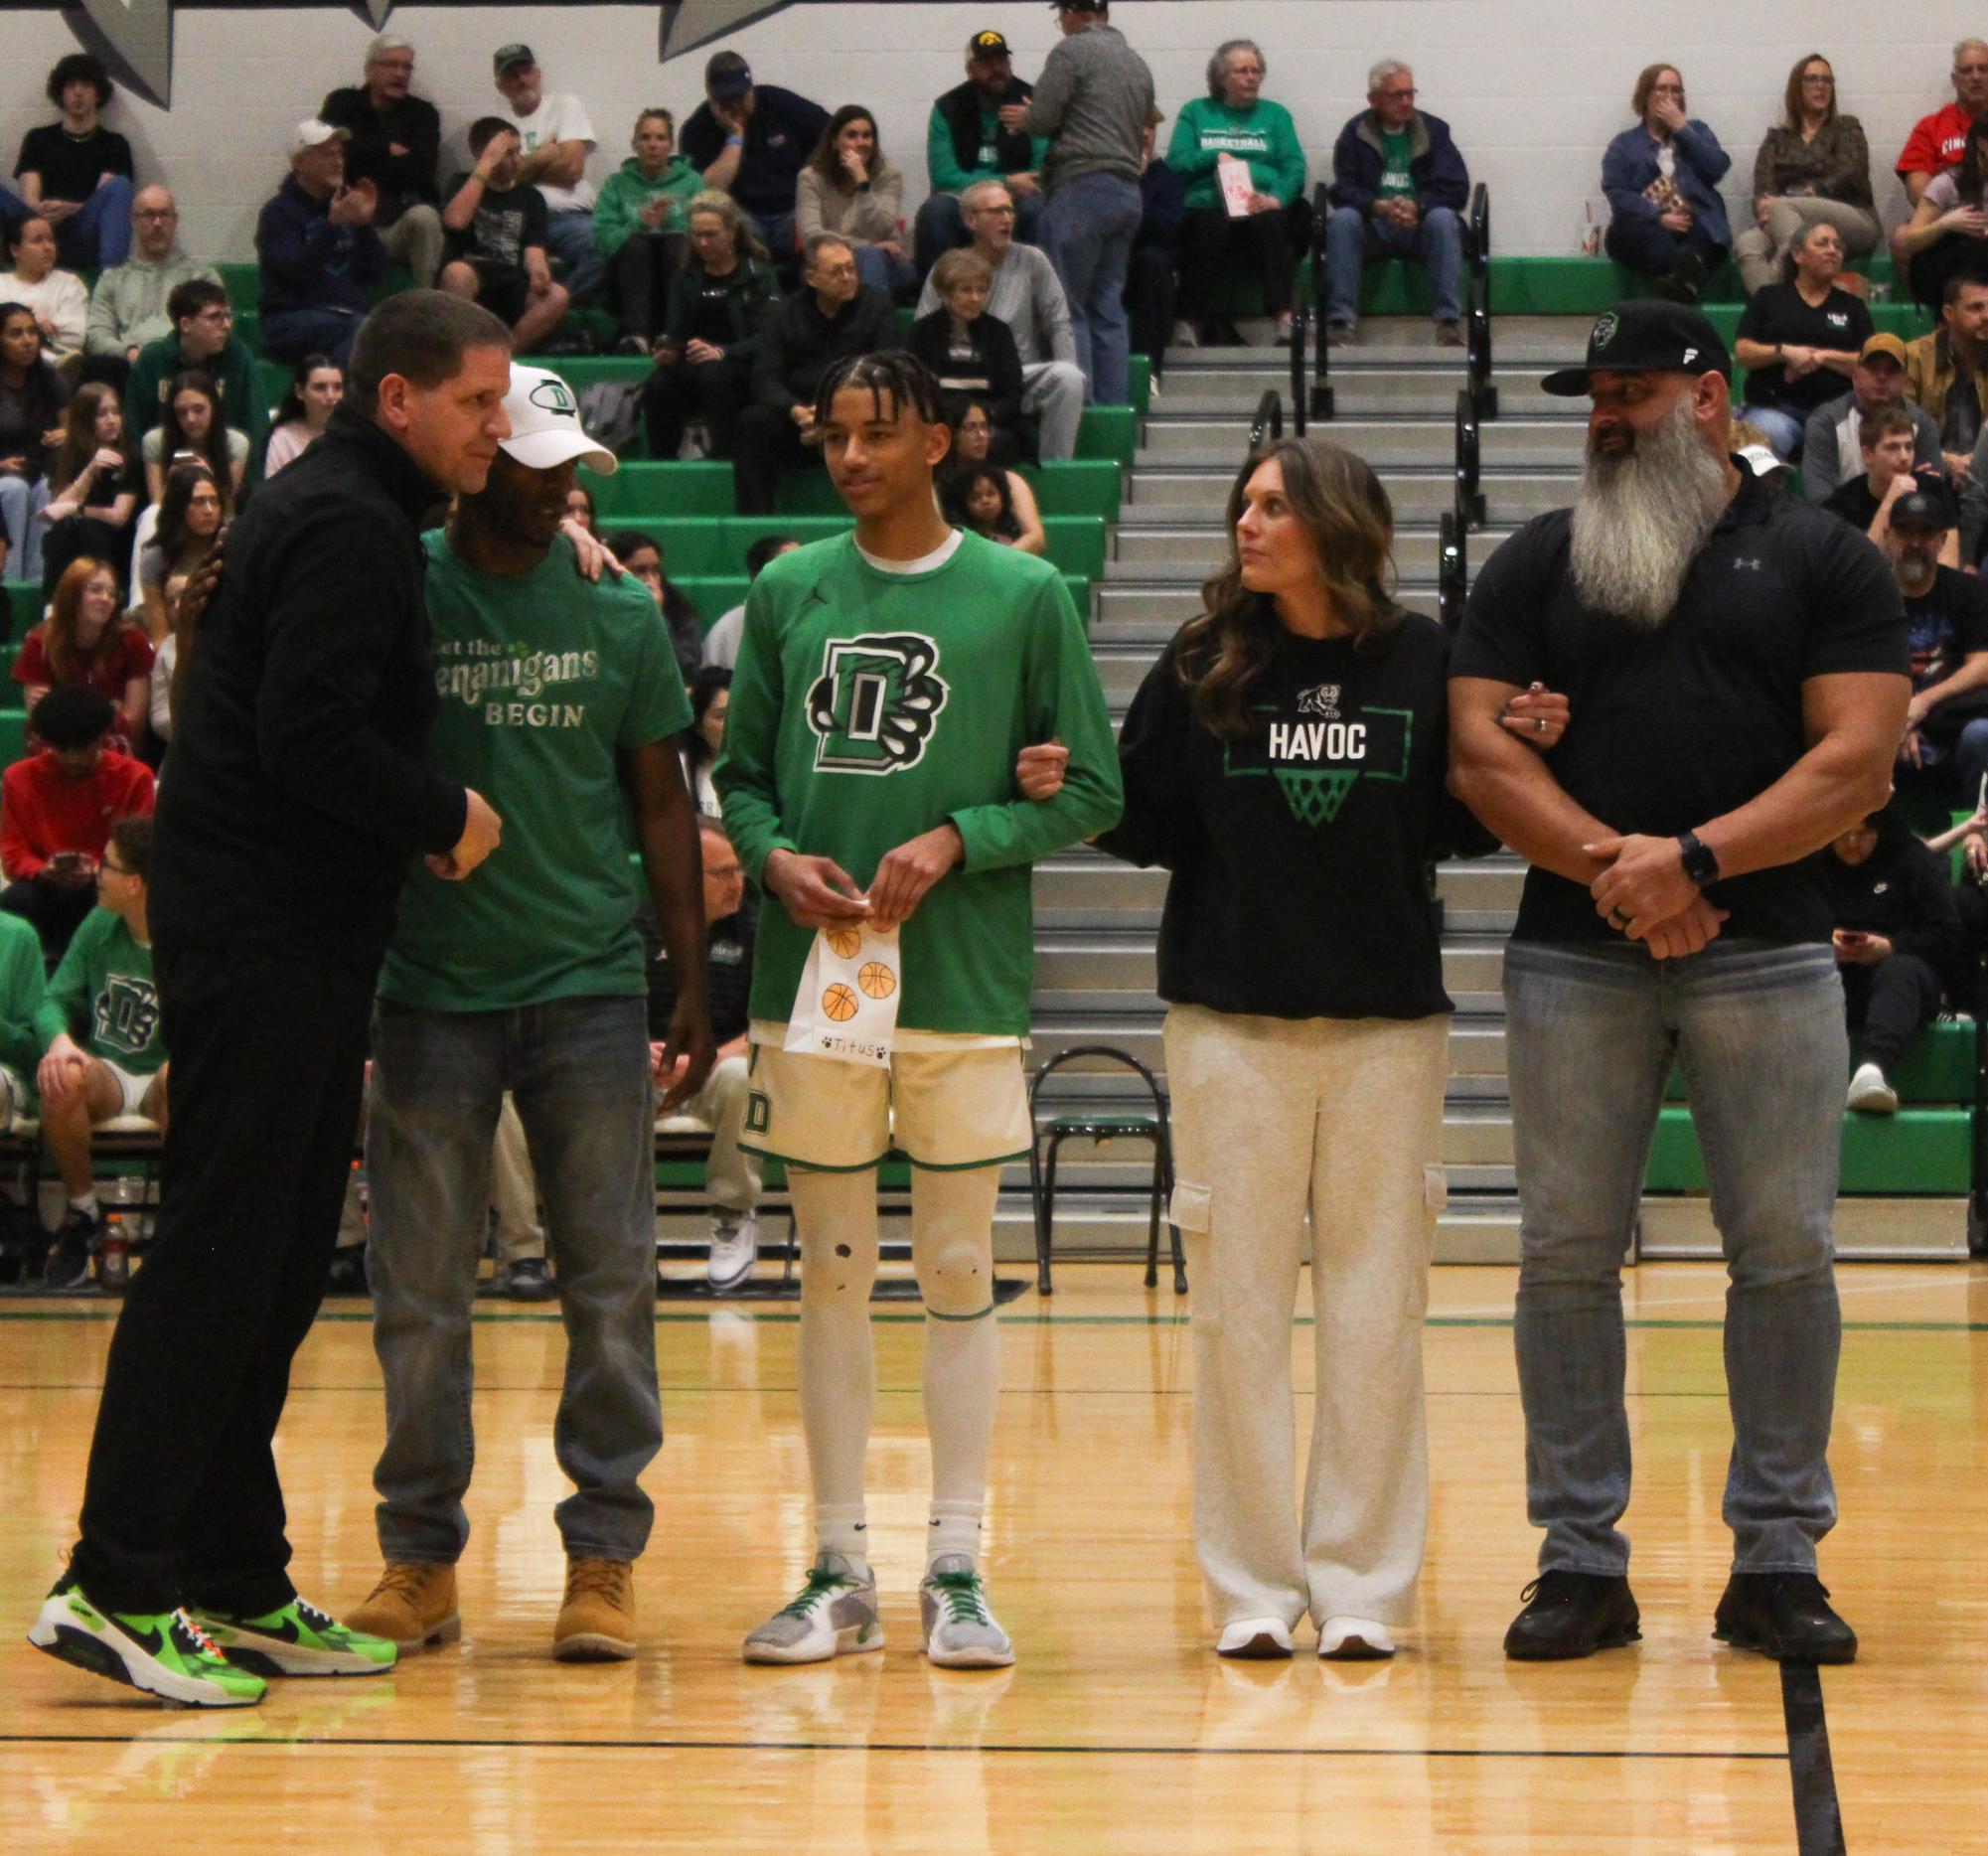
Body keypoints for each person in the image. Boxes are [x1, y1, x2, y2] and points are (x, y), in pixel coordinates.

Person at [26, 291, 509, 1709]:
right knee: (224, 1253)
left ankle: (232, 1577)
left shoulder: (343, 505)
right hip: (262, 932)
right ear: (399, 398)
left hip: (283, 932)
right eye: (477, 403)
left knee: (282, 1258)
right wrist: (443, 812)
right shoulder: (353, 525)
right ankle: (115, 1581)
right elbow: (310, 738)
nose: (494, 429)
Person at [1448, 299, 1907, 1666]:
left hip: (1768, 954)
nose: (1602, 415)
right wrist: (1622, 871)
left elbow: (1859, 761)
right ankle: (1578, 1561)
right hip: (1570, 958)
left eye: (1630, 390)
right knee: (1565, 1261)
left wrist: (1694, 863)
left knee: (1784, 1260)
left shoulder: (1825, 557)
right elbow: (1479, 755)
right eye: (1592, 394)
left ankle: (1775, 1559)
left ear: (1708, 400)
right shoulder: (1537, 562)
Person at [721, 351, 1121, 1670]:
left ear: (944, 439)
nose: (850, 458)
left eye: (878, 434)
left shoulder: (1025, 594)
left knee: (956, 1269)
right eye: (833, 434)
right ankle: (836, 1558)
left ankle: (957, 1559)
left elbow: (1089, 791)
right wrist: (772, 857)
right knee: (827, 1272)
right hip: (813, 987)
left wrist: (958, 836)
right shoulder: (786, 586)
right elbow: (740, 777)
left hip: (958, 984)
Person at [1069, 436, 1464, 1661]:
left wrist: (1536, 733)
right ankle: (1250, 1586)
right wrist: (1068, 782)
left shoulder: (1424, 656)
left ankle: (1362, 1587)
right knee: (1233, 1313)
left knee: (1375, 1312)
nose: (1248, 524)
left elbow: (1462, 814)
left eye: (1274, 505)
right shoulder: (1203, 661)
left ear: (1339, 522)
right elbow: (1144, 815)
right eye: (1244, 503)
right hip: (1228, 1025)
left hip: (1387, 1027)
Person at [344, 362, 710, 1664]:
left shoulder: (616, 609)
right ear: (477, 461)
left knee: (609, 1285)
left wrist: (692, 978)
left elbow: (662, 803)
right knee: (420, 1292)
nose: (562, 490)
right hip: (432, 990)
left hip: (588, 988)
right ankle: (419, 1559)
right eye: (540, 467)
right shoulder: (401, 590)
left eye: (573, 474)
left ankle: (603, 1555)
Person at [34, 814, 165, 1294]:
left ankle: (178, 1222)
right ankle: (84, 1212)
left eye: (107, 866)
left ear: (135, 883)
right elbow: (54, 999)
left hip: (165, 1074)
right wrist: (61, 1042)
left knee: (185, 1083)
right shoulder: (100, 923)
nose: (96, 873)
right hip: (110, 1069)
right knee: (61, 1078)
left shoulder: (188, 933)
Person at [651, 813, 763, 1291]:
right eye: (722, 873)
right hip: (645, 1066)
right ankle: (627, 1229)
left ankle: (733, 1215)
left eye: (740, 870)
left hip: (718, 1066)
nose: (737, 883)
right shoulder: (633, 925)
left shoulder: (756, 928)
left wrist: (713, 1059)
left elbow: (771, 1025)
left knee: (745, 1077)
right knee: (604, 1080)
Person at [1024, 1, 1153, 409]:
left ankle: (1079, 407)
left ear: (1072, 13)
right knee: (1108, 307)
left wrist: (1023, 118)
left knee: (1068, 306)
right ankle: (1113, 410)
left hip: (1081, 187)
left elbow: (1044, 119)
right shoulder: (1137, 63)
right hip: (1128, 192)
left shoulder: (1070, 52)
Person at [913, 182, 1086, 460]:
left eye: (1010, 211)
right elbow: (927, 324)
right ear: (970, 220)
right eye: (996, 212)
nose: (1006, 219)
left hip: (1019, 372)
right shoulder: (948, 265)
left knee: (1070, 378)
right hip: (957, 376)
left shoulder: (1034, 260)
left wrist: (1069, 365)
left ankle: (1056, 468)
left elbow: (1059, 322)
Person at [733, 232, 894, 516]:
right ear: (811, 277)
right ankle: (755, 523)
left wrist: (833, 418)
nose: (847, 277)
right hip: (800, 422)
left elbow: (887, 371)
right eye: (837, 271)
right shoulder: (784, 314)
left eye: (851, 269)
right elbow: (765, 377)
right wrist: (797, 412)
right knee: (754, 421)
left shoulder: (877, 307)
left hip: (856, 420)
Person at [1825, 806, 1965, 1115]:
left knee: (1901, 970)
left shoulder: (1911, 858)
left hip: (1903, 985)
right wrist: (1823, 941)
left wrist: (1891, 946)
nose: (1852, 843)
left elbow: (1949, 936)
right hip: (1834, 981)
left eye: (1863, 833)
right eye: (1842, 834)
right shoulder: (1812, 864)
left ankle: (1872, 1071)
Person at [1170, 41, 1308, 348]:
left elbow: (1294, 167)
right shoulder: (1196, 111)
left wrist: (1276, 197)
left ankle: (1283, 318)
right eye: (1242, 71)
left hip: (1259, 205)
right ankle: (1189, 320)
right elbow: (1177, 163)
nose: (1251, 77)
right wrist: (1214, 156)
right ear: (1221, 78)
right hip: (1208, 206)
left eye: (1256, 71)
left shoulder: (1275, 115)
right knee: (1207, 227)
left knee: (1272, 222)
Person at [0, 685, 152, 959]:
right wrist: (42, 870)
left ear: (102, 738)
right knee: (15, 900)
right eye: (61, 749)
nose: (72, 758)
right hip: (43, 887)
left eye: (82, 748)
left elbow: (140, 854)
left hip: (105, 885)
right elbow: (12, 853)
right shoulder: (17, 778)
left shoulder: (135, 778)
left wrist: (98, 870)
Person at [1324, 60, 1467, 348]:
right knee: (1342, 221)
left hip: (1421, 224)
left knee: (1442, 219)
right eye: (1396, 95)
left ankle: (1448, 323)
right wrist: (1378, 206)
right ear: (1373, 100)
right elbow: (1343, 189)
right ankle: (1340, 322)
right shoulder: (1355, 133)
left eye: (1409, 93)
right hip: (1374, 225)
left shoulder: (1434, 131)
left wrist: (1419, 206)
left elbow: (1456, 188)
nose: (1405, 101)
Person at [641, 191, 780, 466]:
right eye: (696, 235)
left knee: (715, 375)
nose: (702, 242)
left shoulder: (758, 275)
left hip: (741, 365)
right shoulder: (685, 278)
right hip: (694, 364)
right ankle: (662, 464)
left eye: (711, 234)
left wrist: (723, 352)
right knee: (658, 385)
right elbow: (676, 332)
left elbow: (769, 336)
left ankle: (724, 458)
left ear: (731, 232)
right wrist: (669, 350)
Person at [1734, 55, 1878, 298]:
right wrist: (1765, 208)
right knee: (1748, 243)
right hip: (1785, 219)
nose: (1820, 86)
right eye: (1812, 79)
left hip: (1852, 217)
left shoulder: (1846, 128)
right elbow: (1763, 190)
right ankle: (1773, 307)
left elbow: (1850, 174)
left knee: (1782, 207)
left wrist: (1804, 194)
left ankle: (1787, 295)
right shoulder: (1777, 139)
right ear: (1796, 88)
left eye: (1826, 80)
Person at [1731, 222, 1871, 459]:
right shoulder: (1769, 298)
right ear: (1797, 254)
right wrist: (1784, 352)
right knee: (1768, 434)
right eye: (1822, 243)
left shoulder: (1852, 307)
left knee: (1864, 438)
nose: (1832, 250)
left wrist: (1822, 357)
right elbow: (1743, 352)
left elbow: (1868, 362)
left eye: (1838, 246)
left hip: (1837, 413)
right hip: (1775, 408)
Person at [256, 118, 388, 368]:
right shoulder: (278, 214)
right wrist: (332, 227)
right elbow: (294, 273)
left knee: (391, 333)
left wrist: (364, 224)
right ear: (299, 162)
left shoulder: (346, 207)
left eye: (340, 154)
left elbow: (376, 274)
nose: (337, 161)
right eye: (327, 155)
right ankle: (344, 404)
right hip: (289, 320)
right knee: (360, 332)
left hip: (347, 318)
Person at [1885, 484, 1988, 800]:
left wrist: (1923, 704)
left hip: (1949, 727)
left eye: (1926, 534)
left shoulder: (1967, 591)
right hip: (1881, 729)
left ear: (1942, 540)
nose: (1915, 543)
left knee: (1982, 734)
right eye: (1905, 533)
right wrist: (1896, 725)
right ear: (1888, 537)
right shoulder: (1868, 596)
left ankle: (1977, 833)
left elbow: (1983, 665)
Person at [680, 52, 832, 265]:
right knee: (728, 230)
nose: (734, 106)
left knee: (813, 231)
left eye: (740, 97)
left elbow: (834, 134)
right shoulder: (697, 129)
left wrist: (814, 176)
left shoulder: (780, 104)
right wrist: (735, 136)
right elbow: (710, 190)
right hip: (742, 212)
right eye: (725, 100)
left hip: (791, 208)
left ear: (751, 89)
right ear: (711, 98)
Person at [916, 30, 1047, 277]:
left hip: (1017, 203)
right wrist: (1005, 183)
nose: (996, 69)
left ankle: (1035, 301)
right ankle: (935, 306)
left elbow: (1041, 171)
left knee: (1037, 209)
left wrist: (1007, 194)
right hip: (965, 202)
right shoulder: (947, 107)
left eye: (1002, 61)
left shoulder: (1033, 102)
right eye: (987, 63)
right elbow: (944, 176)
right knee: (935, 211)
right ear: (970, 69)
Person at [320, 35, 445, 290]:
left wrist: (360, 151)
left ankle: (429, 308)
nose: (400, 73)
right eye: (391, 65)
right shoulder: (342, 103)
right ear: (369, 70)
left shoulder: (423, 114)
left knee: (426, 217)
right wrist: (386, 148)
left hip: (399, 224)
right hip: (349, 222)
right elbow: (328, 158)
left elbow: (422, 172)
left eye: (407, 66)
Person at [1602, 65, 1732, 304]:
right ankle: (1684, 278)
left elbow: (1717, 168)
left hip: (1695, 225)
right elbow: (1617, 193)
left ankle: (1682, 277)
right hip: (1651, 228)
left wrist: (1682, 129)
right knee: (1623, 234)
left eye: (1676, 90)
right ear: (1645, 95)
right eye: (1661, 89)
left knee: (1710, 235)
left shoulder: (1698, 131)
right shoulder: (1624, 145)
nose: (1670, 97)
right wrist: (1658, 216)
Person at [440, 119, 570, 353]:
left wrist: (538, 271)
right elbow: (455, 221)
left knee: (557, 295)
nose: (517, 160)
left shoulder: (531, 198)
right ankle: (468, 355)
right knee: (456, 273)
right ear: (482, 154)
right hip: (473, 276)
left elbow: (534, 250)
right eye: (507, 153)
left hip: (512, 278)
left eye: (518, 151)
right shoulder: (461, 183)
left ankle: (504, 353)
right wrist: (485, 165)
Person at [490, 46, 603, 304]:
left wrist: (521, 169)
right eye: (512, 75)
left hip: (568, 217)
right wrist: (544, 154)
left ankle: (550, 312)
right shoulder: (497, 125)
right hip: (518, 219)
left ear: (538, 74)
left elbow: (572, 169)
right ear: (501, 87)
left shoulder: (564, 105)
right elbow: (499, 181)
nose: (521, 79)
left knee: (604, 245)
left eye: (526, 71)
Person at [84, 189, 221, 387]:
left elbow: (215, 327)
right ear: (133, 221)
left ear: (175, 220)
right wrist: (128, 352)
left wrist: (172, 354)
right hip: (129, 367)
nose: (157, 223)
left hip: (185, 367)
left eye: (164, 214)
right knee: (97, 368)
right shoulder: (112, 280)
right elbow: (97, 334)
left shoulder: (202, 277)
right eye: (149, 215)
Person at [15, 556, 152, 748]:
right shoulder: (40, 641)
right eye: (96, 590)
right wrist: (109, 709)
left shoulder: (133, 641)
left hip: (113, 751)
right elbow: (40, 723)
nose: (106, 599)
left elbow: (133, 725)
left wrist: (61, 706)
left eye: (112, 593)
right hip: (56, 749)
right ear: (71, 593)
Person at [14, 54, 134, 272]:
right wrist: (44, 210)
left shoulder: (114, 145)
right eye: (71, 86)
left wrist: (68, 209)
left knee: (120, 186)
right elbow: (28, 199)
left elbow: (106, 203)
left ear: (98, 93)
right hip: (39, 227)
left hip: (83, 235)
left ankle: (110, 283)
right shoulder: (38, 139)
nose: (78, 92)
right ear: (61, 93)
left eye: (86, 85)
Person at [594, 109, 703, 351]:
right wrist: (640, 224)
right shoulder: (616, 184)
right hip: (630, 269)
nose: (653, 145)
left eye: (660, 138)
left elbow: (703, 234)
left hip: (676, 262)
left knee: (676, 244)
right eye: (645, 138)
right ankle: (636, 335)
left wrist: (671, 224)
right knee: (637, 245)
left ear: (671, 145)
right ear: (634, 144)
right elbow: (604, 242)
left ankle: (673, 333)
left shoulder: (693, 182)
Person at [123, 278, 266, 460]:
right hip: (161, 468)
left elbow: (256, 425)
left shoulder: (238, 357)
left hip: (225, 469)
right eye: (215, 317)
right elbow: (135, 429)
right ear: (186, 324)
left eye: (228, 316)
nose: (226, 325)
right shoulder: (153, 359)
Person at [1801, 333, 1942, 505]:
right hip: (1843, 525)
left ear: (1905, 380)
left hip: (1905, 525)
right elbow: (1819, 499)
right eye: (1873, 368)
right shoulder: (1826, 422)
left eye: (1891, 370)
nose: (1882, 377)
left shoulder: (1923, 424)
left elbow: (1934, 498)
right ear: (1855, 375)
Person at [909, 249, 1024, 456]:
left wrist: (983, 420)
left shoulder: (999, 332)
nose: (975, 298)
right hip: (942, 423)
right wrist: (954, 422)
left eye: (981, 290)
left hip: (988, 423)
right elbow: (916, 390)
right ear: (945, 294)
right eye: (966, 290)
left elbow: (1013, 392)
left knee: (1002, 443)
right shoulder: (923, 332)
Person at [797, 107, 913, 302]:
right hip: (828, 263)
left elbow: (882, 227)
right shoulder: (810, 178)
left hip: (887, 262)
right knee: (869, 255)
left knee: (876, 260)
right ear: (834, 141)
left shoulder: (889, 175)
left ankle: (870, 324)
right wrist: (867, 245)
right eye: (852, 135)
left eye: (867, 136)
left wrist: (863, 182)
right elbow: (812, 235)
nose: (861, 142)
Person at [1893, 41, 1988, 275]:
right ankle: (1924, 311)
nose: (1976, 77)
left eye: (1983, 69)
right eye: (1967, 70)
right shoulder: (1931, 126)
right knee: (1900, 238)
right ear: (1955, 79)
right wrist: (1955, 220)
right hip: (1947, 216)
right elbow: (1917, 186)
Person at [37, 383, 139, 595]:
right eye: (102, 414)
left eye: (115, 412)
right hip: (74, 535)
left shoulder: (131, 455)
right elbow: (56, 510)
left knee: (88, 528)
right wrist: (90, 471)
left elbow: (119, 516)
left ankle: (105, 594)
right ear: (85, 420)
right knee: (62, 532)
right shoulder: (65, 456)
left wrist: (78, 510)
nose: (112, 420)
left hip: (117, 537)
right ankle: (53, 605)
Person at [0, 300, 68, 581]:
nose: (28, 341)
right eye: (16, 334)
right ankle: (11, 585)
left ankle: (40, 586)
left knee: (46, 490)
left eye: (31, 332)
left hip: (38, 471)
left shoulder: (48, 376)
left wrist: (68, 432)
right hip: (4, 477)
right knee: (15, 490)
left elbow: (75, 426)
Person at [1821, 404, 1951, 547]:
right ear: (1867, 454)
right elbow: (1859, 566)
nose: (1904, 457)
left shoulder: (1935, 491)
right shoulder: (1841, 506)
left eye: (1908, 447)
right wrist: (1889, 502)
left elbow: (1948, 562)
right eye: (1892, 448)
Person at [1897, 110, 1988, 311]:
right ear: (1983, 144)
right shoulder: (1948, 182)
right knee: (1973, 250)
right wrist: (1946, 223)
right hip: (1945, 266)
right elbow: (1910, 240)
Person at [1907, 273, 1988, 486]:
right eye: (1976, 308)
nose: (1986, 316)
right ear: (1949, 313)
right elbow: (1897, 428)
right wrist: (1945, 461)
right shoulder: (1915, 357)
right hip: (1926, 472)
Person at [136, 464, 225, 646]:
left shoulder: (231, 549)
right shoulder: (155, 559)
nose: (209, 510)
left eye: (214, 501)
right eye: (199, 501)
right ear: (179, 506)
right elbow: (160, 637)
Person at [1128, 106, 1184, 382]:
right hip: (1104, 261)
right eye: (1139, 126)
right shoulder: (1102, 174)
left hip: (1142, 261)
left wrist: (1138, 181)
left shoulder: (1165, 178)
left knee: (1154, 263)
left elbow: (1163, 229)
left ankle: (1147, 371)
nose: (1145, 134)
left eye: (1151, 127)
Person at [602, 529, 702, 681]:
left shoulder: (678, 611)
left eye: (655, 570)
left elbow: (686, 670)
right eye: (640, 571)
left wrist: (657, 616)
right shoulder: (600, 610)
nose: (650, 580)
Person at [948, 400, 1045, 552]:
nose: (981, 435)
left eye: (984, 427)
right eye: (971, 428)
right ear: (951, 434)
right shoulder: (938, 485)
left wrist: (997, 563)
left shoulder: (1010, 480)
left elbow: (1036, 538)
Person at [141, 370, 246, 505]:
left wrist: (208, 477)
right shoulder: (155, 441)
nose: (190, 419)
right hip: (170, 517)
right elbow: (156, 507)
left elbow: (225, 505)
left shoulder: (235, 443)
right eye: (181, 412)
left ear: (213, 408)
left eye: (199, 410)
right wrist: (172, 482)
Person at [700, 533, 799, 670]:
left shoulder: (818, 620)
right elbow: (711, 686)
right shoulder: (726, 630)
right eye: (793, 569)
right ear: (759, 578)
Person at [6, 216, 89, 367]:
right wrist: (36, 325)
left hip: (55, 367)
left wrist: (17, 333)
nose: (48, 247)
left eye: (51, 240)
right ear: (15, 250)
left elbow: (74, 336)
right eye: (38, 240)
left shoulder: (69, 284)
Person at [262, 354, 343, 477]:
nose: (331, 396)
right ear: (299, 391)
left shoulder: (355, 435)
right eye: (320, 388)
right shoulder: (284, 438)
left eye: (337, 388)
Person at [940, 457, 1027, 547]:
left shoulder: (1014, 530)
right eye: (975, 498)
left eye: (991, 494)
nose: (985, 501)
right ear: (963, 505)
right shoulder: (964, 541)